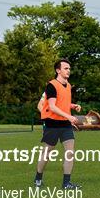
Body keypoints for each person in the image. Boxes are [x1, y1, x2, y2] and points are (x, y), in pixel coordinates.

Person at [34, 58, 82, 189]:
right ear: (58, 70)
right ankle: (38, 177)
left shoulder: (69, 86)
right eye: (66, 68)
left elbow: (63, 103)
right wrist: (70, 117)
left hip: (65, 124)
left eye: (69, 69)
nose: (69, 71)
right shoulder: (51, 85)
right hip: (52, 124)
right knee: (47, 154)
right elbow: (52, 106)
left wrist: (73, 106)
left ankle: (66, 183)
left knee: (70, 152)